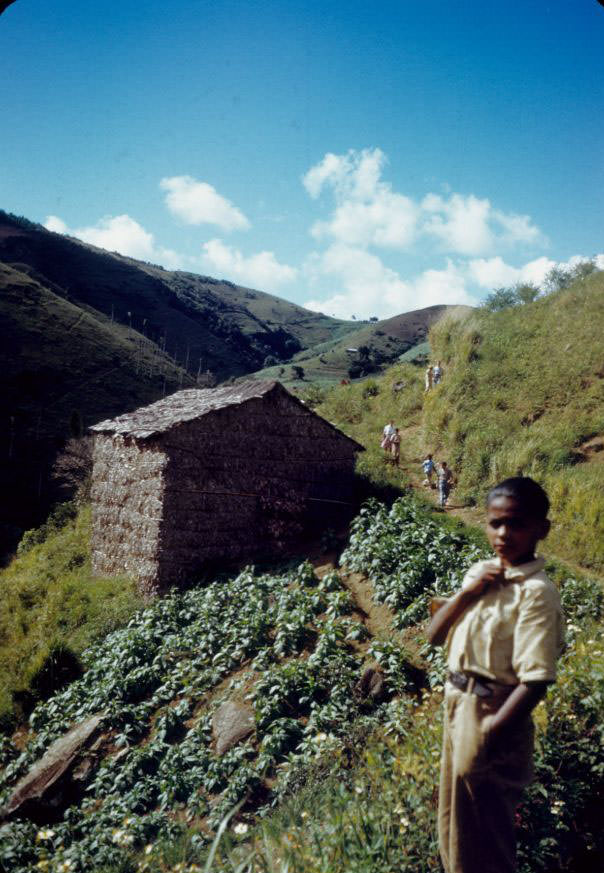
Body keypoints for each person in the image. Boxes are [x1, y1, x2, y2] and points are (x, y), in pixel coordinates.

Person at [427, 477, 565, 873]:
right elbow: (434, 636)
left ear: (541, 529)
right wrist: (468, 593)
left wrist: (489, 734)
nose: (504, 534)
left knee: (485, 842)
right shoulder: (480, 573)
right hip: (458, 704)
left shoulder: (536, 593)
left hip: (492, 714)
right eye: (495, 523)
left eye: (517, 524)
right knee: (453, 830)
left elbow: (536, 680)